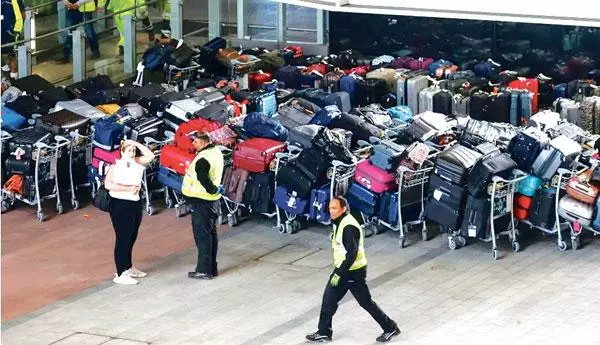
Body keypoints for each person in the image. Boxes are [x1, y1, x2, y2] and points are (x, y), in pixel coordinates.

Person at [306, 196, 400, 343]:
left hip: (352, 272)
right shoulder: (341, 222)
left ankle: (390, 327)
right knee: (329, 299)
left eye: (335, 208)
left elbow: (352, 253)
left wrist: (339, 272)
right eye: (330, 208)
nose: (331, 211)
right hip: (346, 271)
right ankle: (324, 332)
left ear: (343, 209)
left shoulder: (348, 227)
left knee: (365, 302)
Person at [104, 140, 155, 285]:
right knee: (123, 238)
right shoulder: (115, 166)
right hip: (120, 203)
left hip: (135, 201)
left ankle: (128, 266)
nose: (132, 153)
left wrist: (134, 143)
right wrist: (127, 189)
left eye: (133, 151)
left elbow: (150, 155)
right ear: (122, 152)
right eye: (129, 151)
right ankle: (120, 273)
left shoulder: (137, 162)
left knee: (132, 235)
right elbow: (108, 184)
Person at [181, 131, 224, 280]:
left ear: (204, 142)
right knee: (211, 234)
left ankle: (204, 270)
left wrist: (211, 189)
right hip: (212, 201)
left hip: (201, 201)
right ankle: (212, 268)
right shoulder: (216, 152)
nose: (193, 144)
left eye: (196, 142)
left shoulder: (203, 159)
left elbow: (203, 178)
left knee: (202, 237)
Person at [1, 0, 25, 79]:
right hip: (4, 29)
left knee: (12, 53)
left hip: (11, 31)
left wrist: (17, 29)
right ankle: (6, 68)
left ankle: (14, 75)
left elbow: (22, 15)